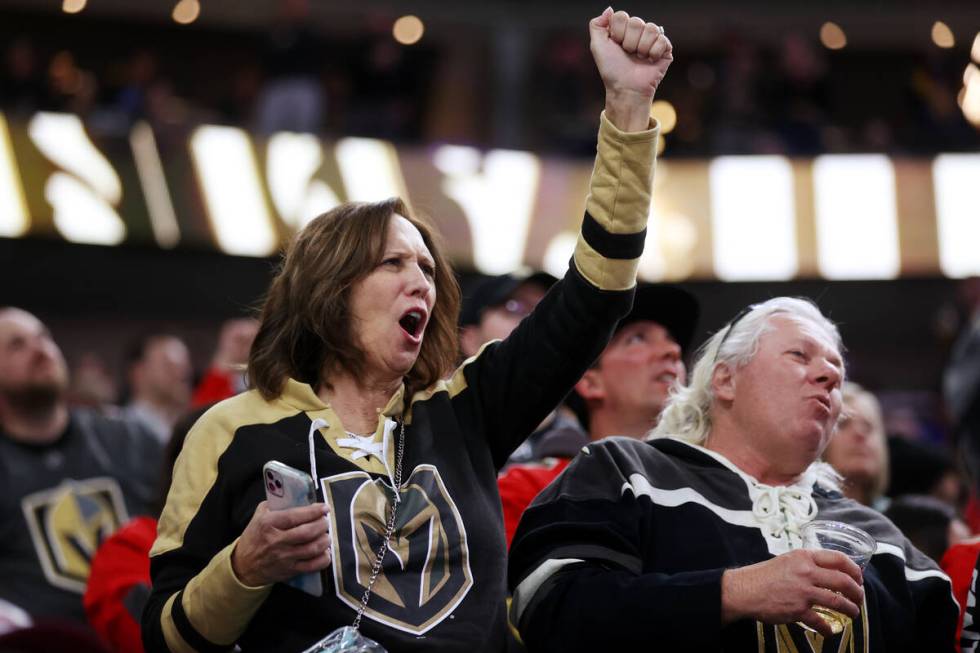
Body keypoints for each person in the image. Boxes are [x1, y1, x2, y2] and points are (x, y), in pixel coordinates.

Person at [142, 9, 672, 653]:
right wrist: (243, 569)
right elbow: (165, 637)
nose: (422, 281)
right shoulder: (228, 430)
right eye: (393, 264)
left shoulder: (467, 409)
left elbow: (598, 291)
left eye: (428, 268)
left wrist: (627, 106)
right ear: (328, 288)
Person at [509, 297, 958, 652]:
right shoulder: (624, 471)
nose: (826, 375)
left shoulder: (890, 545)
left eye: (836, 374)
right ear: (725, 380)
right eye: (800, 355)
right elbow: (550, 611)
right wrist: (732, 593)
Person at [498, 283, 698, 545]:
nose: (672, 351)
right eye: (637, 338)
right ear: (589, 382)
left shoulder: (716, 488)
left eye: (671, 339)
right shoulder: (527, 491)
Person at [0, 308, 161, 624]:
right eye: (17, 345)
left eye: (43, 336)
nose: (40, 349)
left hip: (148, 632)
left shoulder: (128, 437)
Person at [458, 271, 584, 467]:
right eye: (514, 307)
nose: (538, 322)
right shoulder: (436, 427)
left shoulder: (577, 449)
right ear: (471, 339)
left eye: (550, 313)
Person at [822, 382, 889, 508]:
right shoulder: (795, 516)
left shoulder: (899, 520)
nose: (860, 433)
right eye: (843, 424)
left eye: (868, 426)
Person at [122, 335, 193, 445]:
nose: (182, 374)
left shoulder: (190, 426)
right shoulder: (122, 431)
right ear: (139, 373)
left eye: (184, 366)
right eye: (169, 366)